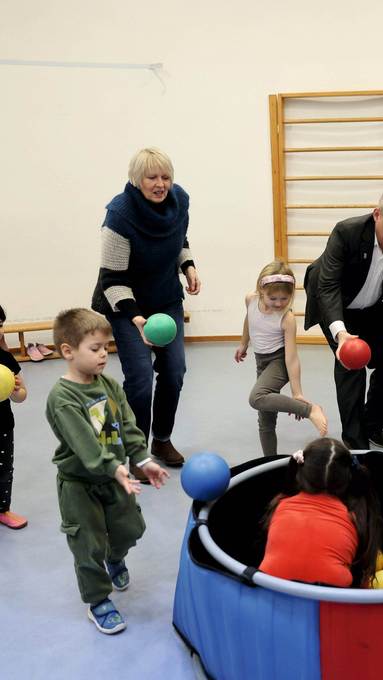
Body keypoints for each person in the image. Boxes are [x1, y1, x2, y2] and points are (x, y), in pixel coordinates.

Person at [46, 308, 169, 634]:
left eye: (106, 347)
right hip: (80, 485)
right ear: (68, 351)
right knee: (88, 546)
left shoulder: (109, 385)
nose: (104, 354)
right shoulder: (63, 398)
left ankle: (116, 558)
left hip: (117, 478)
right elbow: (84, 444)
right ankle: (98, 600)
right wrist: (113, 468)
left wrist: (142, 460)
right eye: (95, 348)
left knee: (130, 529)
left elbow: (126, 426)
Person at [92, 147, 201, 482]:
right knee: (139, 379)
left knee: (174, 371)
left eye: (165, 176)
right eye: (152, 177)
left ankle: (162, 440)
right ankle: (137, 451)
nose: (160, 184)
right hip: (126, 305)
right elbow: (112, 279)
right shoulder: (120, 215)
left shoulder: (179, 200)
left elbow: (179, 239)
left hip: (166, 300)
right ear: (136, 180)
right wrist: (136, 317)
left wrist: (188, 265)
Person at [304, 187, 383, 450]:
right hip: (334, 302)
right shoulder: (347, 232)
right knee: (353, 361)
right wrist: (342, 335)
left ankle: (373, 425)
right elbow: (328, 287)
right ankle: (355, 440)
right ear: (376, 215)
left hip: (370, 306)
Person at [259, 437, 382, 587]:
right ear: (347, 480)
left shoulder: (280, 504)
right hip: (330, 597)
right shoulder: (356, 516)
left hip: (269, 590)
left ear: (301, 474)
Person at [235, 260, 328, 455]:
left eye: (284, 299)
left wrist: (297, 393)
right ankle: (269, 462)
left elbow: (292, 358)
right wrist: (244, 343)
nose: (278, 303)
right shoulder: (250, 300)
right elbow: (249, 320)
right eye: (273, 298)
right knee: (265, 420)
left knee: (256, 398)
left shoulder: (287, 318)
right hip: (261, 360)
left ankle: (311, 410)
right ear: (261, 290)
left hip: (279, 362)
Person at [0, 304, 28, 530]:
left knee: (3, 470)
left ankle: (2, 510)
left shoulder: (6, 360)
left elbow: (22, 396)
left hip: (2, 425)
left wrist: (15, 390)